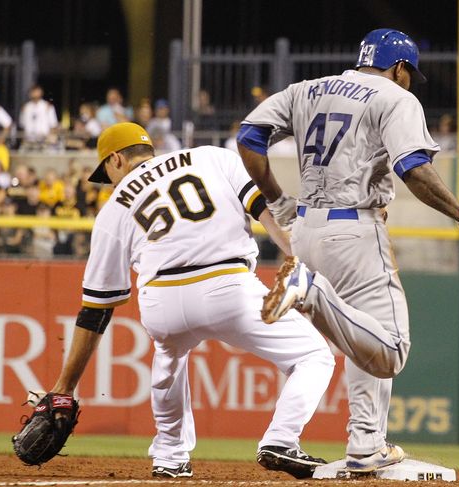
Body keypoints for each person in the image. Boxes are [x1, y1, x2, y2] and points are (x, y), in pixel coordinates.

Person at [236, 28, 459, 475]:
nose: (409, 81)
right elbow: (413, 169)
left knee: (367, 336)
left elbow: (249, 136)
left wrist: (277, 202)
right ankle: (311, 294)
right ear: (398, 67)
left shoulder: (307, 89)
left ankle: (365, 445)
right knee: (391, 349)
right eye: (409, 73)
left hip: (305, 230)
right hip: (355, 228)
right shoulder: (395, 97)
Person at [43, 122, 334, 479]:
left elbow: (96, 310)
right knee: (314, 356)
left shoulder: (113, 208)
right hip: (228, 286)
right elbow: (262, 208)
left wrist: (65, 387)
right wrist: (293, 253)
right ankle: (280, 439)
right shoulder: (212, 157)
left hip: (161, 301)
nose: (110, 183)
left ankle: (168, 454)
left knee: (168, 356)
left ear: (115, 159)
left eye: (106, 173)